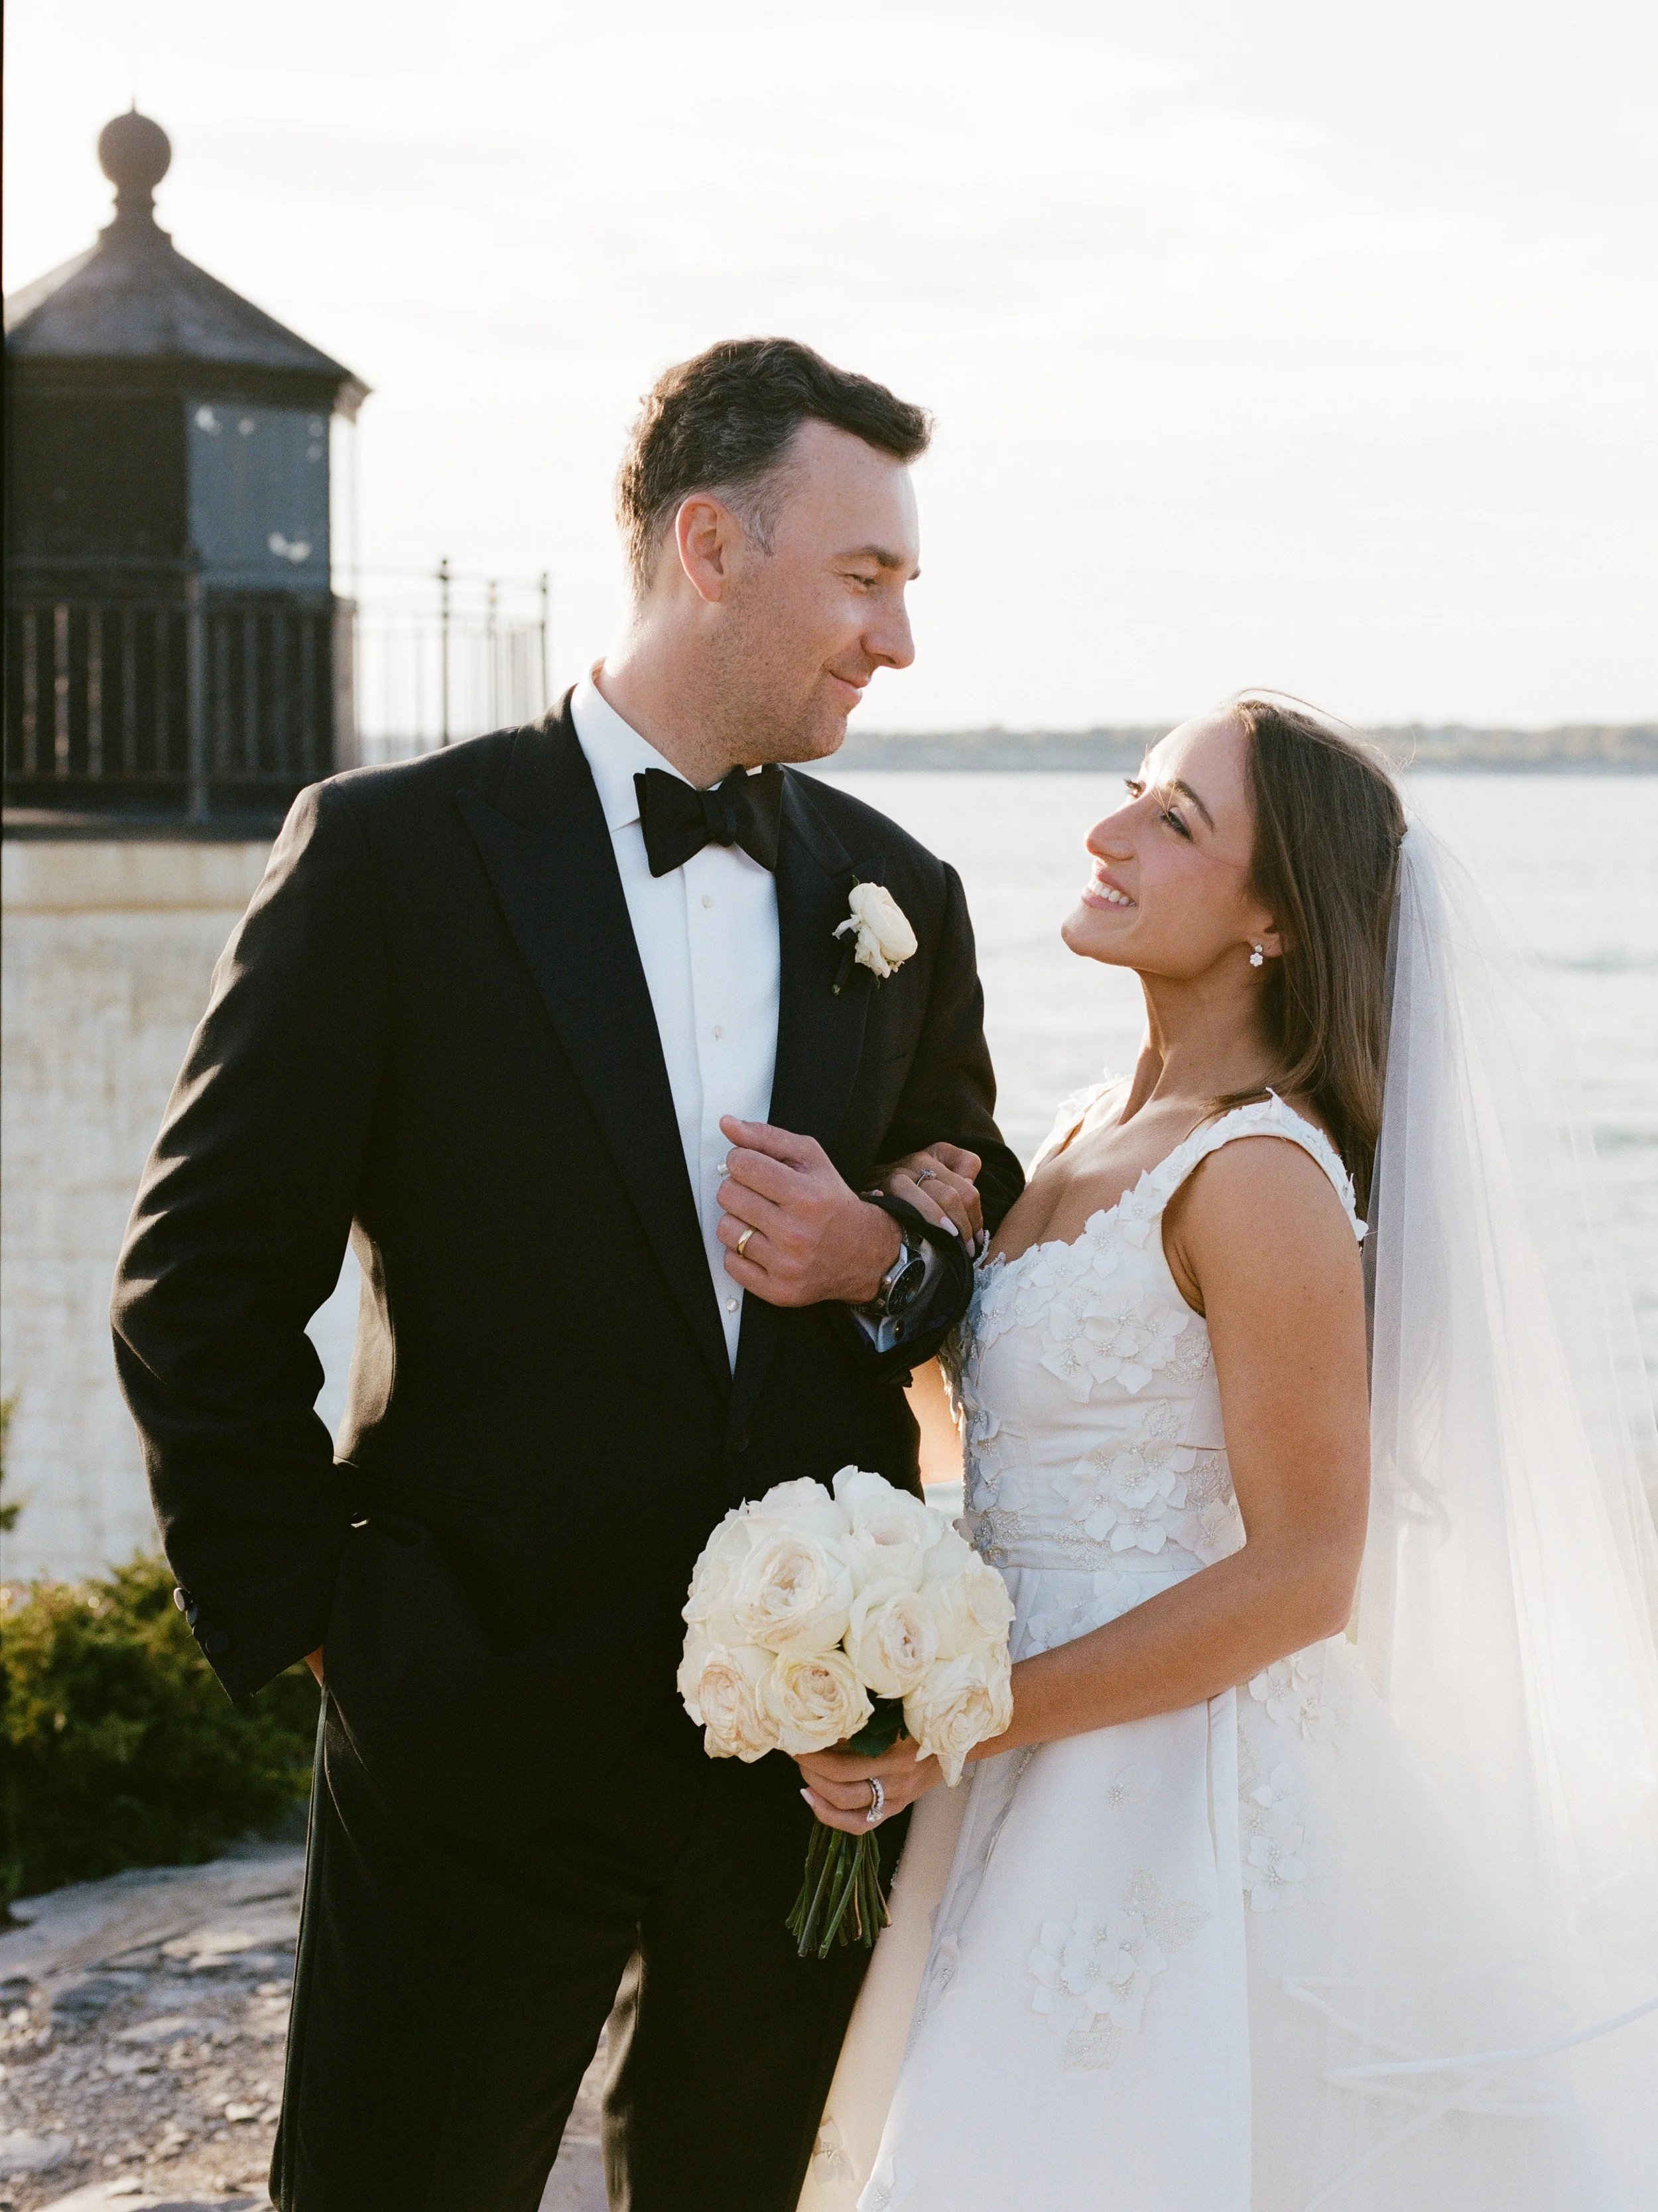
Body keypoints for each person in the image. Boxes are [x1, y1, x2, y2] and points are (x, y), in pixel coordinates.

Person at [110, 336, 1024, 2212]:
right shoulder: (387, 859)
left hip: (801, 1754)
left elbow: (965, 1245)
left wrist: (887, 1263)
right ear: (711, 546)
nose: (899, 637)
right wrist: (315, 1615)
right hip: (469, 1719)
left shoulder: (897, 892)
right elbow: (201, 1273)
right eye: (866, 577)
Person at [794, 697, 1658, 2210]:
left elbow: (1306, 1576)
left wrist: (971, 1720)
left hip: (1163, 1790)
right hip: (1010, 1755)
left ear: (1271, 917)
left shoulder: (1254, 1173)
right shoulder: (1074, 1137)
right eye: (1129, 790)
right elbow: (1015, 1446)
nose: (1105, 832)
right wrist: (910, 1274)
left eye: (1170, 820)